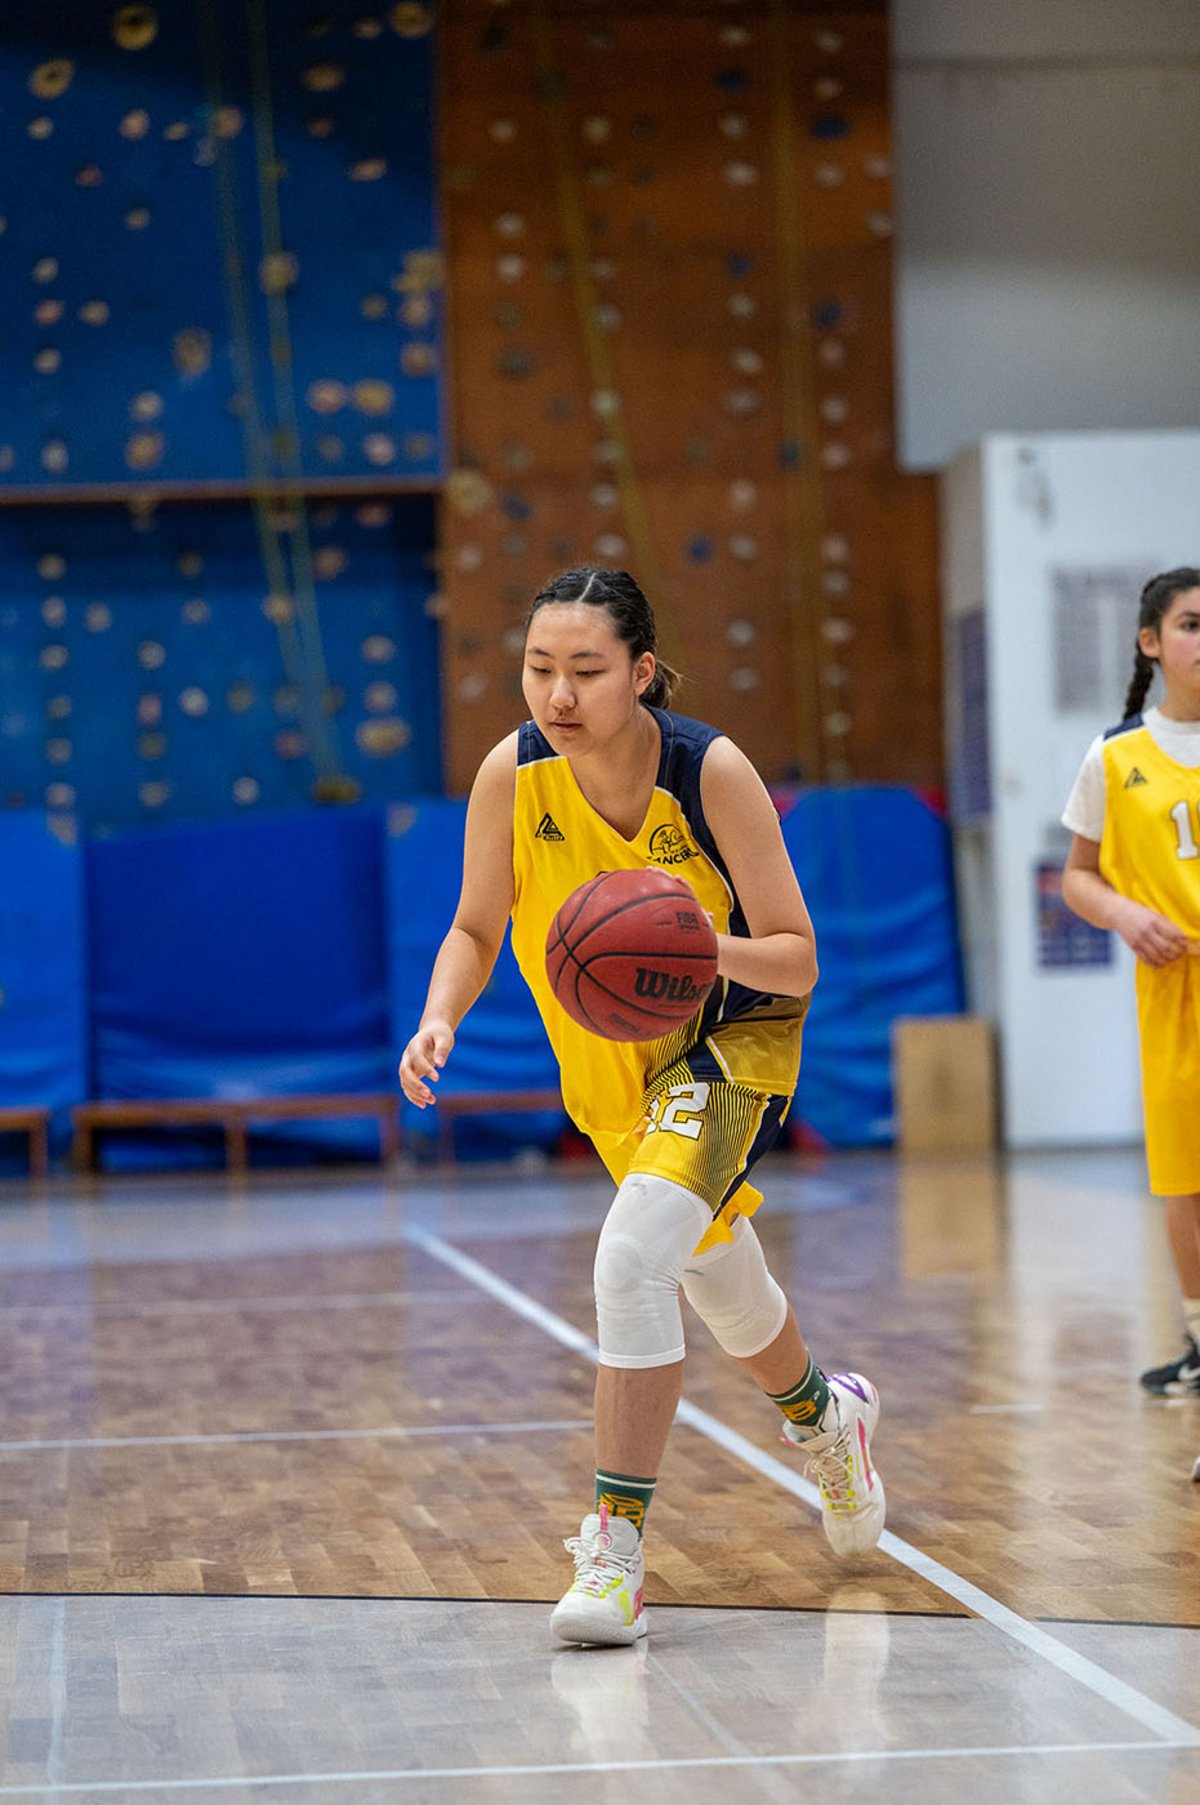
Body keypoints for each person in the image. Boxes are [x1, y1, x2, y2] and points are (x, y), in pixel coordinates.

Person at [399, 566, 884, 1647]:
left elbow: (798, 957)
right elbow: (475, 926)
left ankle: (616, 1556)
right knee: (719, 1278)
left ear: (643, 671)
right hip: (613, 1068)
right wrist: (439, 1016)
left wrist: (697, 944)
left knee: (629, 1262)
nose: (558, 694)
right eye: (539, 668)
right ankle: (828, 1418)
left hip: (733, 1044)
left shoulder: (709, 771)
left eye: (586, 669)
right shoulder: (512, 772)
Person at [1061, 567, 1200, 1400]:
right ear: (1150, 641)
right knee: (1185, 1174)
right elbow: (1079, 875)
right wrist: (1123, 913)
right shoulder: (1114, 755)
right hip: (1175, 985)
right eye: (1191, 624)